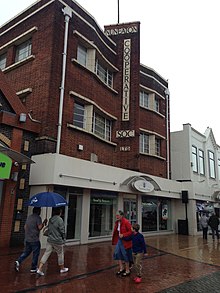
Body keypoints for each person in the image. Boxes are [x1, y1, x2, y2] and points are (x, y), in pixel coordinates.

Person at [37, 207, 68, 276]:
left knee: (46, 253)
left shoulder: (51, 219)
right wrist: (64, 238)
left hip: (50, 240)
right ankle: (62, 268)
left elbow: (49, 229)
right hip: (58, 240)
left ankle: (39, 268)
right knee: (60, 254)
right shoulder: (60, 220)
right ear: (60, 212)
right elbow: (62, 231)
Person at [14, 207, 47, 273]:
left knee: (26, 252)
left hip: (27, 239)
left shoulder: (29, 217)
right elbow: (40, 227)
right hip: (34, 239)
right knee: (36, 253)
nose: (40, 212)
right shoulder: (38, 218)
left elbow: (25, 227)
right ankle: (33, 268)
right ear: (38, 211)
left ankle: (18, 261)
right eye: (40, 210)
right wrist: (44, 223)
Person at [112, 210, 132, 277]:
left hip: (125, 241)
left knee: (125, 254)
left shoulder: (126, 222)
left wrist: (124, 235)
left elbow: (131, 231)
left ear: (121, 216)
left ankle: (127, 270)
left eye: (118, 215)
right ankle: (121, 268)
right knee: (117, 253)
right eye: (116, 215)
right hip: (119, 240)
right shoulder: (117, 222)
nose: (116, 216)